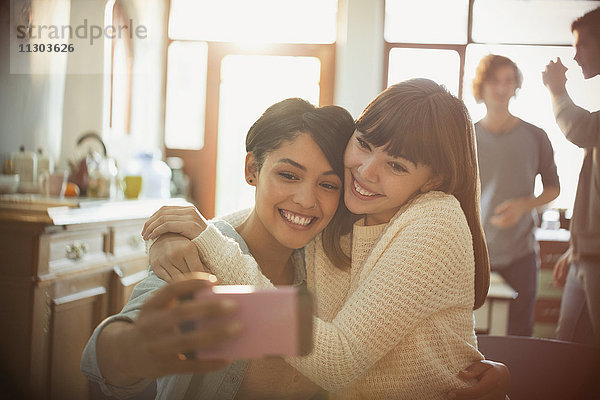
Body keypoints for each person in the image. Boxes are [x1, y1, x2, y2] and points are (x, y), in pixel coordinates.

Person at [144, 79, 510, 399]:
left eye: (397, 166)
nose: (367, 172)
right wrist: (177, 235)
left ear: (432, 180)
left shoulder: (435, 221)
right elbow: (269, 219)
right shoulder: (350, 207)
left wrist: (209, 241)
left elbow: (338, 363)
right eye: (364, 144)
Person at [81, 98, 356, 399]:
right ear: (252, 169)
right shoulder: (200, 256)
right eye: (288, 175)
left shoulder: (331, 265)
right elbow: (105, 355)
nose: (306, 200)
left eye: (328, 185)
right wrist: (137, 347)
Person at [472, 54, 560, 337]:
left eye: (508, 81)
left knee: (519, 335)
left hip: (521, 255)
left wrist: (525, 205)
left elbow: (553, 188)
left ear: (515, 87)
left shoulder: (536, 136)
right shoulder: (466, 137)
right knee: (473, 336)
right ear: (481, 86)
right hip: (475, 253)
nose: (501, 88)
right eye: (494, 81)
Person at [542, 6, 600, 348]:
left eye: (582, 45)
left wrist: (556, 89)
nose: (575, 56)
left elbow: (581, 129)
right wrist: (576, 248)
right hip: (587, 255)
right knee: (568, 347)